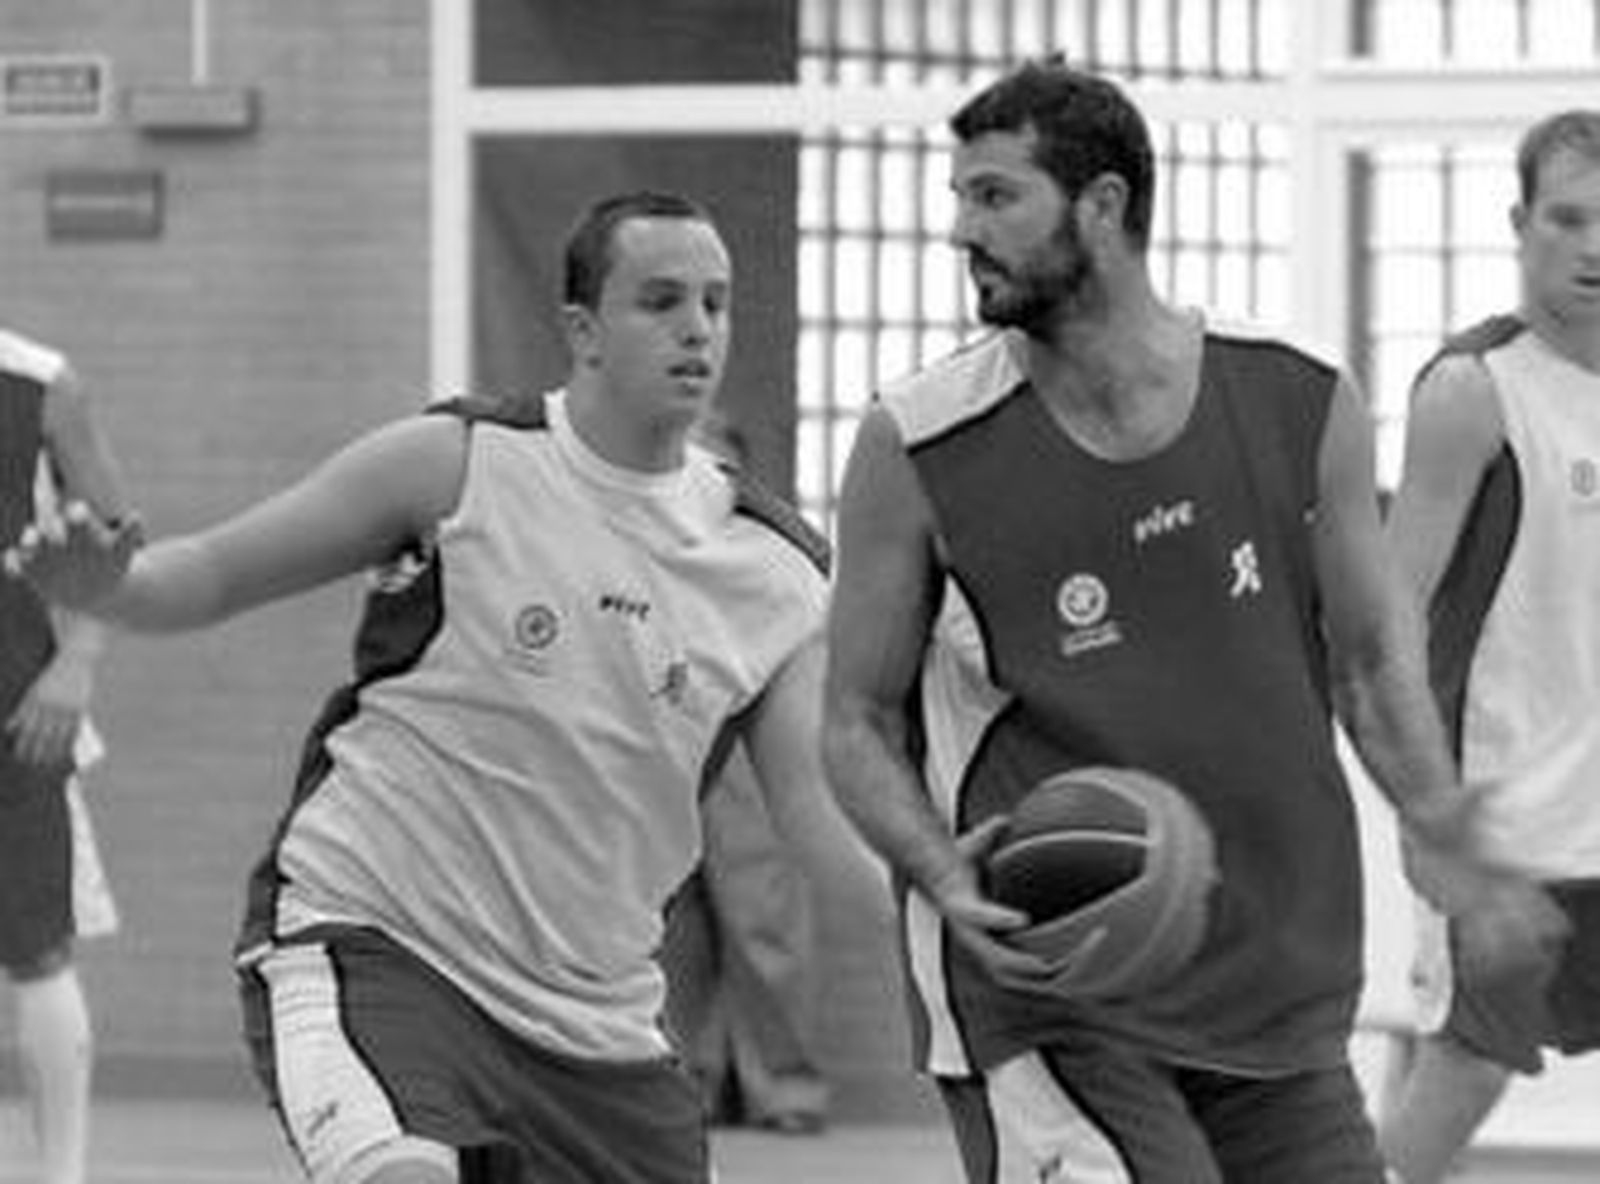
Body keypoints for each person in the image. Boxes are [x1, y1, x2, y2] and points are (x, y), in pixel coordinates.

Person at [5, 191, 872, 1184]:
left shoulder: (774, 569)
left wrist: (950, 913)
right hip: (380, 939)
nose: (697, 330)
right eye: (662, 300)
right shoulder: (456, 465)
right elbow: (208, 573)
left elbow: (819, 819)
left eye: (715, 304)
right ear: (582, 330)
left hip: (598, 1022)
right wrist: (111, 587)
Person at [820, 58, 1567, 1184]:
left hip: (1276, 989)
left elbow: (1368, 663)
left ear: (1104, 206)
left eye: (993, 196)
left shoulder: (1297, 403)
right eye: (957, 196)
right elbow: (854, 719)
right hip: (1051, 984)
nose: (959, 230)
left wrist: (1454, 845)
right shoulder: (915, 446)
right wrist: (938, 868)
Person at [1377, 110, 1600, 1184]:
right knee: (1464, 1069)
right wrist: (1431, 821)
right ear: (1520, 222)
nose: (1593, 246)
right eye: (1568, 218)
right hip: (1505, 817)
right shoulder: (1472, 393)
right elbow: (1386, 619)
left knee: (1443, 1060)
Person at [658, 411, 831, 1136]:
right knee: (671, 926)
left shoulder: (766, 560)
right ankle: (681, 1082)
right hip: (657, 743)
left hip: (747, 747)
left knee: (764, 919)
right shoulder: (634, 546)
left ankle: (786, 1088)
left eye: (717, 465)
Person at [1, 327, 134, 1184]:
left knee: (39, 950)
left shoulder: (40, 383)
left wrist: (77, 663)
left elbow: (118, 535)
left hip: (16, 714)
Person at [660, 744, 831, 1135]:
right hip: (640, 700)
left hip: (735, 694)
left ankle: (786, 1082)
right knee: (666, 895)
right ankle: (681, 1080)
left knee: (759, 885)